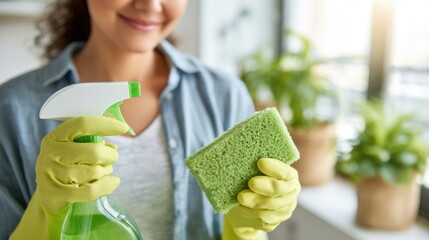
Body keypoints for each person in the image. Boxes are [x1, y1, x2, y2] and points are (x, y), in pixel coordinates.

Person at [0, 0, 301, 239]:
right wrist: (44, 211)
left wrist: (246, 228)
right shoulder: (11, 109)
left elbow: (247, 232)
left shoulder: (224, 96)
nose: (151, 4)